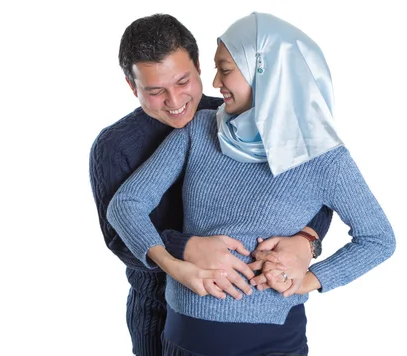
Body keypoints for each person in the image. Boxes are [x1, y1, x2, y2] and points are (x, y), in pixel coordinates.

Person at [106, 12, 395, 356]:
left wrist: (309, 276)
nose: (215, 82)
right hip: (180, 338)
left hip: (272, 345)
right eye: (216, 69)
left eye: (225, 69)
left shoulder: (323, 157)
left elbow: (378, 238)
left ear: (268, 71)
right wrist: (177, 263)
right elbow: (126, 205)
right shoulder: (200, 128)